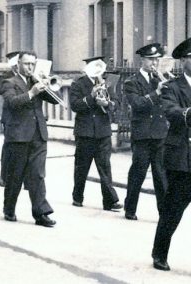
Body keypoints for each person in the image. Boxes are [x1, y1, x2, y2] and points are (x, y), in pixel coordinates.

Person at [1, 51, 57, 227]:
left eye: (33, 64)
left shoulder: (36, 81)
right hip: (18, 136)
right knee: (15, 176)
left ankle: (41, 214)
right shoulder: (8, 82)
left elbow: (56, 100)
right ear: (18, 64)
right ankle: (9, 208)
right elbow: (12, 103)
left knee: (37, 175)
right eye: (26, 64)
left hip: (38, 134)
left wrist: (46, 85)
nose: (30, 68)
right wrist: (32, 93)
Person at [151, 37, 191, 271]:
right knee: (172, 212)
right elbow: (172, 112)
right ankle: (159, 253)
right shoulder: (171, 87)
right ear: (184, 61)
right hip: (182, 160)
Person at [70, 56, 123, 211]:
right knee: (82, 168)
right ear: (87, 68)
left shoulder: (107, 83)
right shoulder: (78, 84)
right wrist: (91, 97)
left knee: (105, 168)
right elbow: (75, 105)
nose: (97, 72)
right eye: (94, 67)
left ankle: (110, 201)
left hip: (103, 132)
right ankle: (77, 197)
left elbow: (116, 103)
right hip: (85, 132)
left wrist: (107, 103)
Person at [123, 43, 168, 220]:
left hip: (159, 134)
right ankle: (130, 208)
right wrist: (156, 92)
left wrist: (168, 85)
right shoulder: (131, 82)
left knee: (160, 174)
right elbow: (137, 104)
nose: (154, 64)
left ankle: (164, 212)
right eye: (151, 60)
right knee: (138, 173)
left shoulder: (159, 79)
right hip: (142, 135)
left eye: (156, 60)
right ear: (142, 60)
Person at [0, 51, 19, 187]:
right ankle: (4, 177)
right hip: (10, 117)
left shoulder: (29, 76)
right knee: (9, 148)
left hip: (25, 118)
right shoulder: (5, 76)